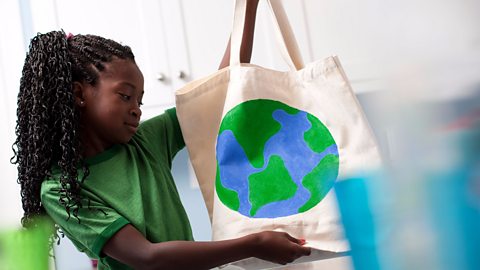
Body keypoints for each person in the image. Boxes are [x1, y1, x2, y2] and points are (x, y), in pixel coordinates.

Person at [11, 0, 311, 269]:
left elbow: (220, 91)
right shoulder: (61, 189)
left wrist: (249, 8)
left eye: (139, 100)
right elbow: (147, 257)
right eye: (125, 96)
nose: (136, 110)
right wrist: (254, 244)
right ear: (79, 93)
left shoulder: (145, 141)